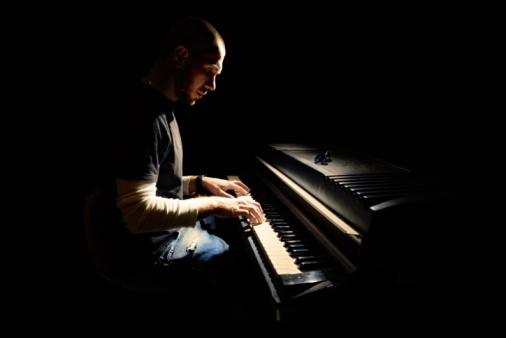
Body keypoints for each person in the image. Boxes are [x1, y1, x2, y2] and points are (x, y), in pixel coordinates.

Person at [96, 17, 265, 294]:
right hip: (148, 255)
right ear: (181, 56)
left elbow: (152, 180)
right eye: (210, 71)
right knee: (243, 262)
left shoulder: (160, 108)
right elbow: (138, 214)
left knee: (233, 223)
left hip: (158, 237)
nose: (212, 85)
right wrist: (213, 204)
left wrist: (199, 182)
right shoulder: (140, 114)